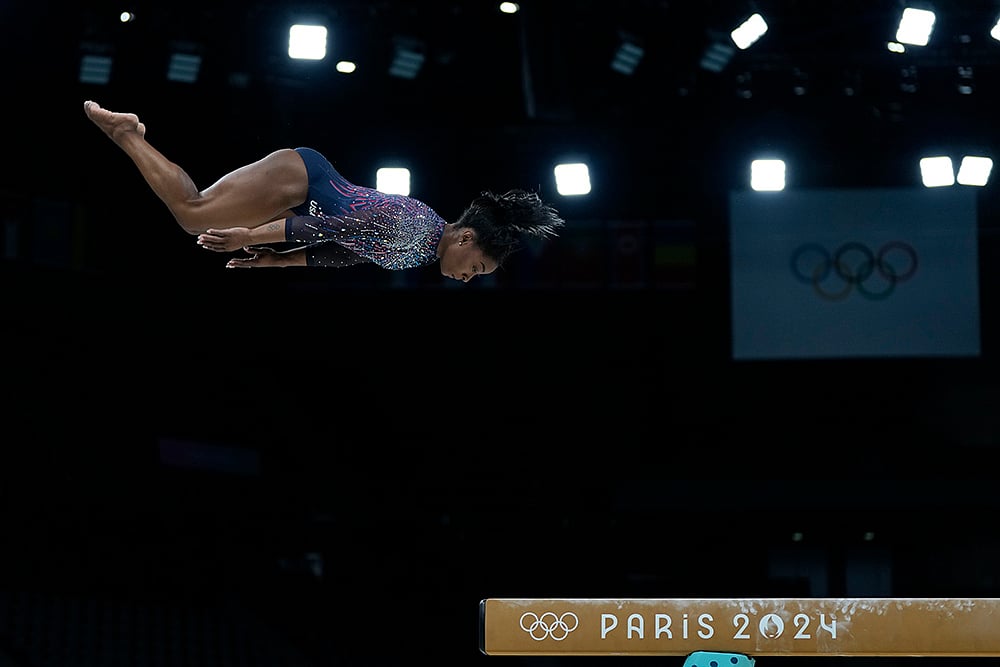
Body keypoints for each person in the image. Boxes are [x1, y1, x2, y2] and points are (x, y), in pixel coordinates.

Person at [82, 100, 565, 281]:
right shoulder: (414, 227)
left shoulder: (419, 252)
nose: (470, 278)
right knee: (195, 215)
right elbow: (324, 225)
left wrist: (279, 261)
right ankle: (126, 133)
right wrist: (249, 239)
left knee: (197, 210)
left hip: (302, 189)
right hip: (302, 180)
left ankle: (130, 136)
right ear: (465, 239)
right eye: (477, 267)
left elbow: (342, 252)